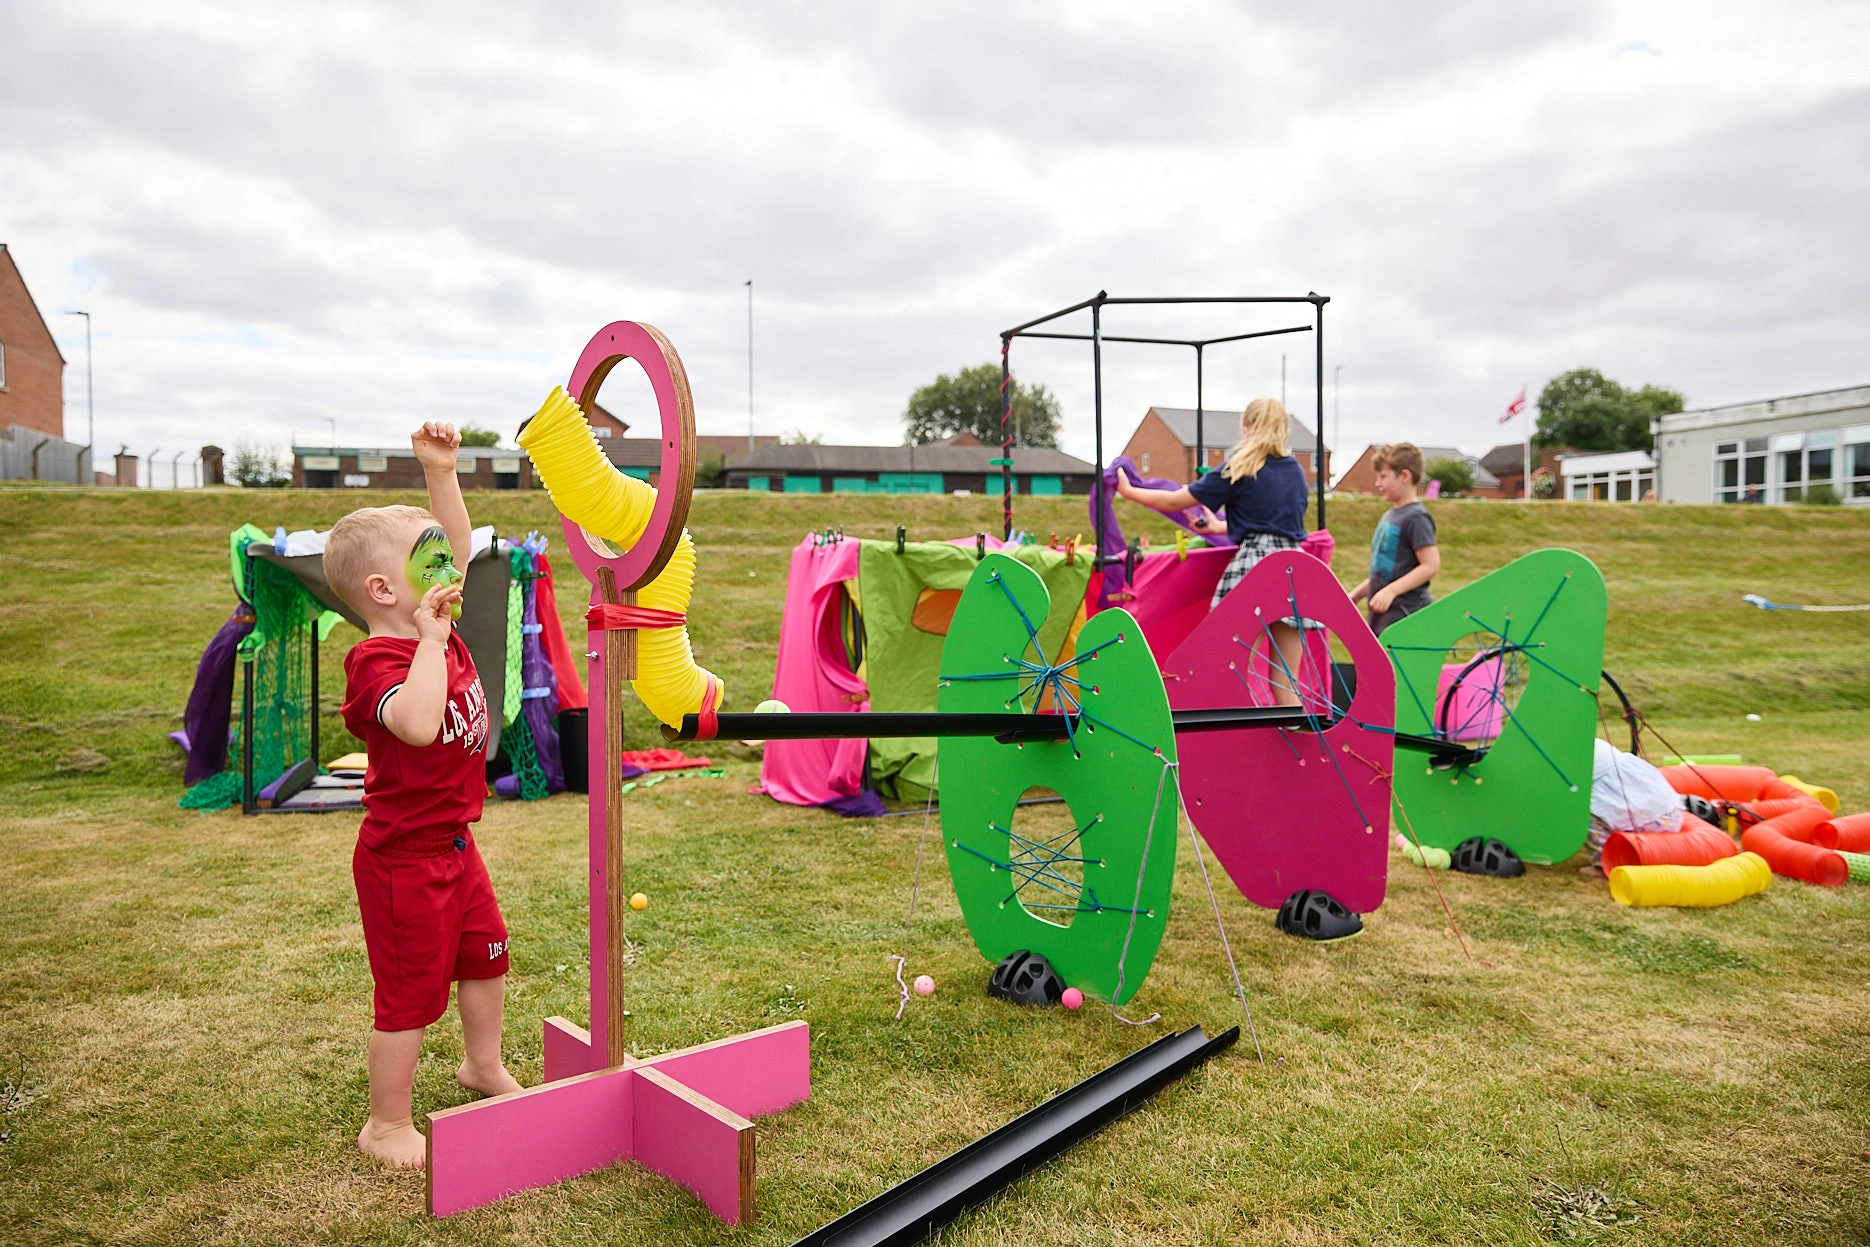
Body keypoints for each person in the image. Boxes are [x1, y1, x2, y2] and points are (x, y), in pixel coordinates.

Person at [324, 422, 521, 1168]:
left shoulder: (437, 620)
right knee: (409, 993)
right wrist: (431, 646)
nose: (452, 569)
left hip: (457, 844)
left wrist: (443, 472)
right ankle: (386, 1122)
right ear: (382, 590)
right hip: (403, 859)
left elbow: (460, 543)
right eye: (429, 560)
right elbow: (415, 722)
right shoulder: (377, 661)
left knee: (487, 955)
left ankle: (482, 1065)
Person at [1115, 397, 1311, 703]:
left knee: (1230, 665)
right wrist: (1220, 528)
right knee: (1286, 677)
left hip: (1257, 566)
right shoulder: (1295, 471)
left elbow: (1173, 501)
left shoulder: (1242, 465)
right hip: (1292, 567)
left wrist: (1128, 491)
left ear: (1247, 427)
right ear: (1283, 430)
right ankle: (1300, 743)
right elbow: (1276, 522)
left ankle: (1234, 739)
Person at [1349, 442, 1440, 635]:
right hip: (1383, 615)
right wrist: (1357, 594)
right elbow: (1384, 571)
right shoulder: (1390, 515)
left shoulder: (1416, 517)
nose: (1377, 483)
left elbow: (1430, 565)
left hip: (1406, 616)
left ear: (1404, 476)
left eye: (1383, 476)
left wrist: (1391, 591)